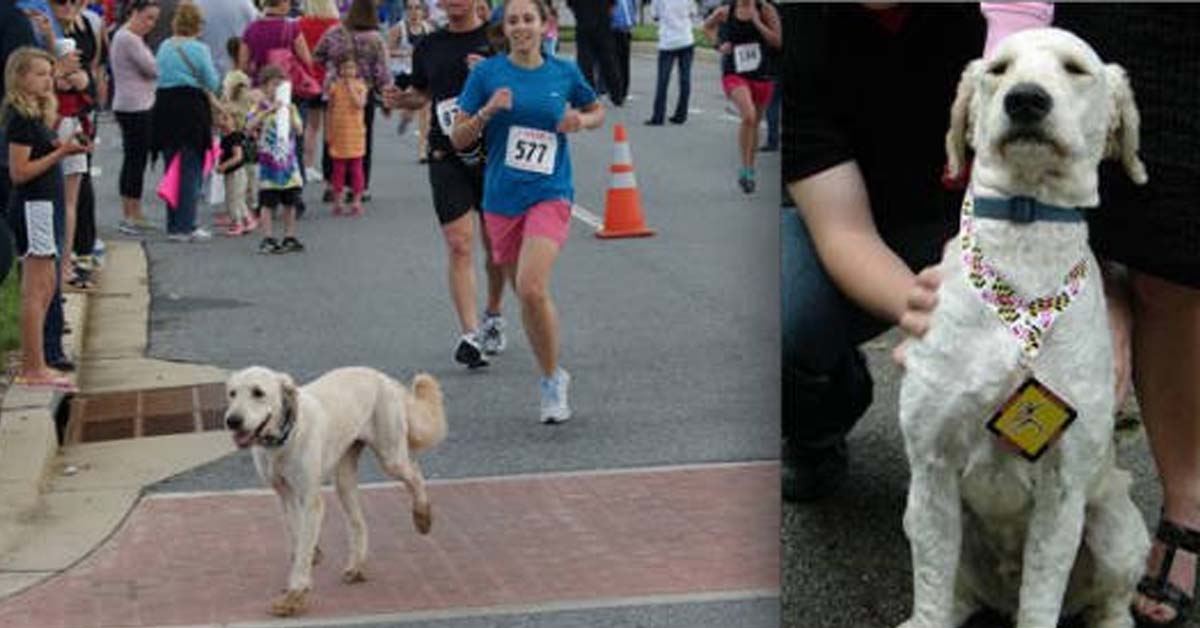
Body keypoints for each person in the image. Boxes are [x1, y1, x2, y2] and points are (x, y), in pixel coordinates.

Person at [894, 5, 1200, 626]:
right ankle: (937, 611)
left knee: (1079, 487)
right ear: (969, 120)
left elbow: (1068, 491)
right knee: (932, 464)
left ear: (1115, 123)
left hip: (1072, 283)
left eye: (1070, 71)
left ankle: (1098, 607)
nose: (1028, 92)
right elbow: (928, 472)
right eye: (1003, 73)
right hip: (978, 265)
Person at [779, 4, 984, 502]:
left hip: (982, 222)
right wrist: (934, 319)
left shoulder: (997, 15)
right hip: (862, 221)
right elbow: (844, 231)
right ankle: (819, 423)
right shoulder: (799, 27)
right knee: (782, 314)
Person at [452, 0, 605, 422]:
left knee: (533, 286)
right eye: (513, 20)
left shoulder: (564, 72)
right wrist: (487, 111)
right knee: (528, 298)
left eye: (529, 19)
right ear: (505, 27)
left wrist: (581, 121)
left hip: (550, 192)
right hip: (501, 198)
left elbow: (597, 111)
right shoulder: (487, 74)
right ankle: (552, 368)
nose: (521, 27)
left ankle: (552, 380)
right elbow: (459, 138)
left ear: (545, 25)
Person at [380, 0, 506, 370]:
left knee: (495, 246)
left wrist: (495, 74)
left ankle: (494, 313)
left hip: (492, 152)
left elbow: (523, 81)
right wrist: (402, 98)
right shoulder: (429, 46)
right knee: (459, 243)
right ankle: (470, 334)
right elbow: (423, 92)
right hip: (446, 151)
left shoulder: (496, 41)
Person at [4, 45, 89, 390]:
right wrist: (61, 152)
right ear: (20, 77)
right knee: (36, 290)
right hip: (33, 205)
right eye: (39, 74)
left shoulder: (37, 114)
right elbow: (19, 172)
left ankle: (37, 362)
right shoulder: (20, 117)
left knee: (48, 285)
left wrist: (65, 147)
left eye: (48, 74)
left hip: (44, 204)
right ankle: (33, 366)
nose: (47, 81)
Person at [151, 0, 218, 242]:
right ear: (197, 25)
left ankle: (173, 224)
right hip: (191, 108)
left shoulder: (165, 46)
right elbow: (211, 82)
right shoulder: (200, 49)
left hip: (165, 107)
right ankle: (186, 225)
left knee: (172, 168)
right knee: (191, 169)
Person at [312, 0, 388, 202]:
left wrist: (333, 68)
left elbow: (317, 56)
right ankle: (359, 187)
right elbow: (382, 73)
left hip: (335, 92)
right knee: (361, 139)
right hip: (362, 95)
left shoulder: (334, 32)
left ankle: (332, 183)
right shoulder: (375, 39)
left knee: (333, 136)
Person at [703, 0, 780, 194]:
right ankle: (745, 168)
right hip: (734, 74)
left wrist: (758, 23)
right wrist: (718, 45)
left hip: (763, 75)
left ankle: (748, 170)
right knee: (748, 116)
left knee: (754, 124)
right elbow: (707, 27)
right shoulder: (726, 11)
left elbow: (777, 41)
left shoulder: (766, 10)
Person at [110, 0, 158, 236]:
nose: (151, 24)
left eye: (154, 19)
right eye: (148, 17)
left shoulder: (127, 37)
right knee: (135, 160)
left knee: (135, 159)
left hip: (134, 103)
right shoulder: (128, 38)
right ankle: (130, 214)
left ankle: (134, 212)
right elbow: (152, 68)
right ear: (135, 13)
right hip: (135, 106)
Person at [246, 64, 304, 254]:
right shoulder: (260, 107)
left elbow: (299, 129)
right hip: (268, 163)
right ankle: (268, 237)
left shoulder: (291, 107)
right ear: (265, 86)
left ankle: (289, 236)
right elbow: (249, 126)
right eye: (273, 85)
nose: (277, 89)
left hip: (288, 163)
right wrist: (268, 111)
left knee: (290, 201)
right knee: (267, 202)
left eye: (281, 85)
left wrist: (289, 113)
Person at [296, 0, 339, 182]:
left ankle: (307, 164)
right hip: (330, 80)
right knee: (329, 126)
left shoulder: (300, 24)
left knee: (310, 126)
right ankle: (330, 168)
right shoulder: (335, 25)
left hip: (309, 78)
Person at [385, 0, 431, 158]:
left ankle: (422, 150)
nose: (414, 12)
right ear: (405, 11)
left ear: (423, 11)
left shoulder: (428, 28)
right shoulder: (399, 29)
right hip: (404, 74)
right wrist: (405, 53)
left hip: (423, 73)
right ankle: (405, 119)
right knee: (409, 111)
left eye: (417, 8)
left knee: (425, 110)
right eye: (410, 8)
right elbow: (387, 51)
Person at [324, 50, 366, 216]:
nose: (348, 72)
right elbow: (329, 110)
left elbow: (359, 104)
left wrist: (351, 88)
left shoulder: (361, 86)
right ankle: (338, 201)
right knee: (338, 170)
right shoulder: (334, 87)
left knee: (356, 169)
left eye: (351, 68)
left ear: (356, 70)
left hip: (355, 133)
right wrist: (327, 131)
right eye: (344, 68)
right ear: (339, 70)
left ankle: (356, 200)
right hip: (338, 133)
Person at [644, 0, 694, 126]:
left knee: (663, 80)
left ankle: (658, 116)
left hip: (668, 42)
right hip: (686, 39)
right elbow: (693, 12)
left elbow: (655, 16)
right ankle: (681, 115)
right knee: (685, 79)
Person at [565, 0, 623, 106]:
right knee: (607, 60)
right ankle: (616, 95)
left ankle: (589, 95)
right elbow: (613, 5)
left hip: (585, 23)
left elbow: (571, 5)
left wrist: (579, 14)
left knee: (586, 62)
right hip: (602, 23)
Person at [213, 106, 253, 236]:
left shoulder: (234, 137)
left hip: (236, 172)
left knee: (233, 198)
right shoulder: (227, 137)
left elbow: (238, 156)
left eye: (226, 119)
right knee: (238, 198)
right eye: (221, 118)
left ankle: (237, 223)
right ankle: (247, 220)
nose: (222, 121)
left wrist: (223, 166)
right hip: (232, 172)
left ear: (235, 121)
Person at [192, 0, 258, 76]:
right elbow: (256, 30)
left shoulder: (195, 4)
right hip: (236, 71)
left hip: (205, 72)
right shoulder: (244, 3)